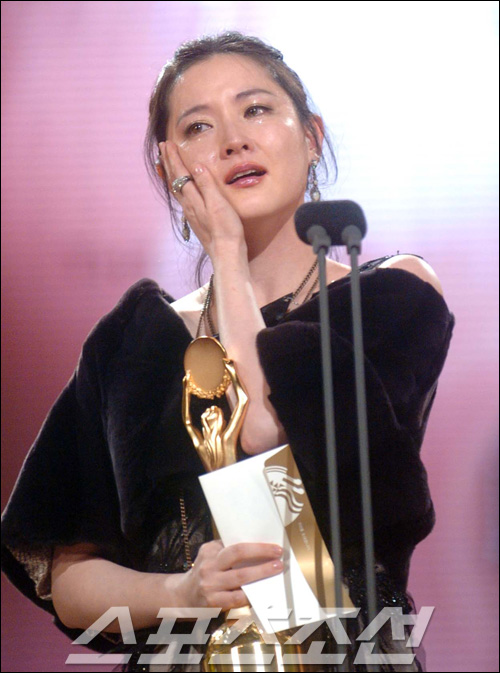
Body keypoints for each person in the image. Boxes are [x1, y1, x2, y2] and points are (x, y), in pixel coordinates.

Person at [1, 32, 454, 672]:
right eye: (198, 127)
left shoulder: (388, 296)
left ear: (313, 136)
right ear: (171, 169)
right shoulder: (134, 339)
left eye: (256, 109)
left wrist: (228, 256)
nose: (234, 140)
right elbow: (69, 578)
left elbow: (264, 430)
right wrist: (181, 592)